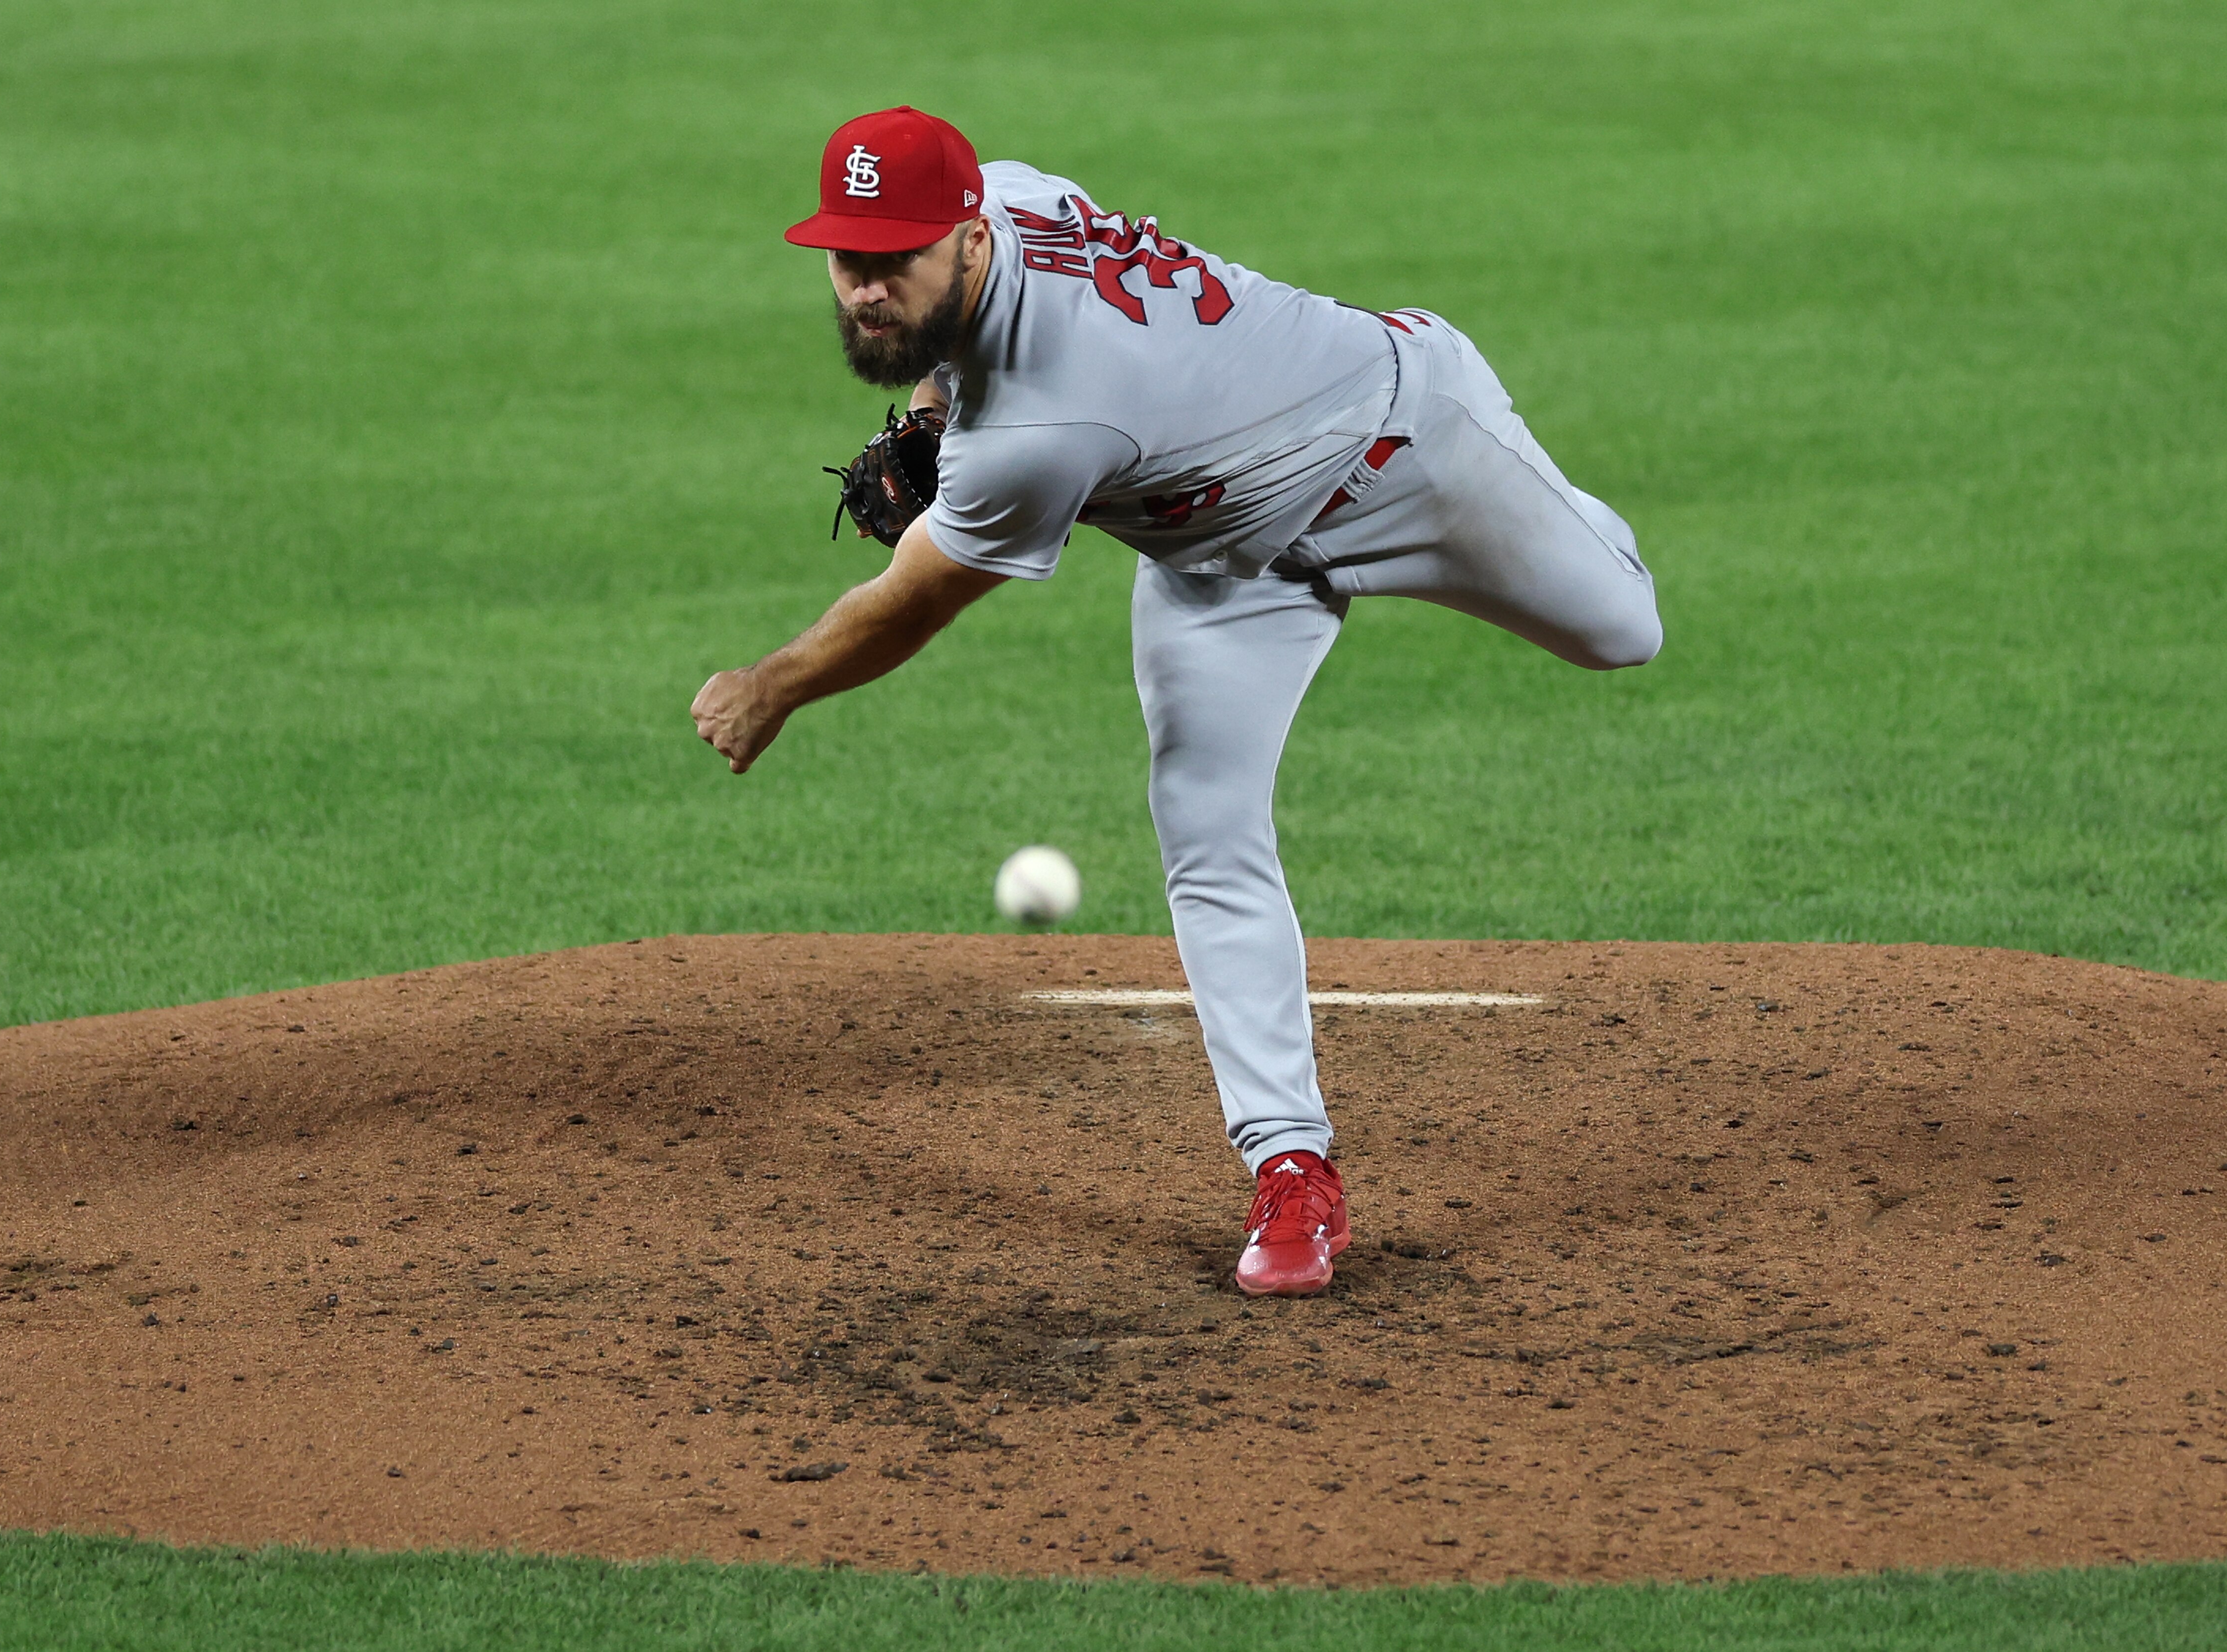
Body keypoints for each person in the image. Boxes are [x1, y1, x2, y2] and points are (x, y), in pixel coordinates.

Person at [692, 107, 1662, 1296]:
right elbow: (968, 365)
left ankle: (1555, 509)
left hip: (1409, 452)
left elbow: (911, 604)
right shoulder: (1007, 195)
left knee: (1624, 630)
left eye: (896, 259)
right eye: (849, 257)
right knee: (1204, 826)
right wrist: (939, 418)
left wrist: (770, 684)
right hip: (1217, 565)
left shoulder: (1047, 429)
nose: (866, 288)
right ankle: (1290, 1167)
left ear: (967, 237)